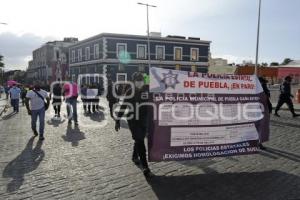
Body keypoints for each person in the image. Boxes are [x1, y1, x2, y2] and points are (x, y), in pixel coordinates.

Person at [115, 72, 153, 178]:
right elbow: (123, 106)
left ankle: (134, 156)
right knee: (140, 141)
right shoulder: (129, 91)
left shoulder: (148, 89)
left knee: (138, 139)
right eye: (138, 80)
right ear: (134, 81)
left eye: (141, 79)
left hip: (144, 119)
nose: (140, 82)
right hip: (133, 120)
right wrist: (118, 120)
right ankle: (145, 167)